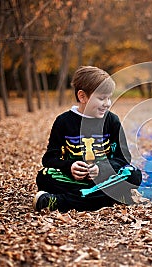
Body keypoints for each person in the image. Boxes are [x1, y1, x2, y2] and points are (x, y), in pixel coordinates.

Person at [33, 66, 142, 212]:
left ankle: (59, 202)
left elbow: (123, 158)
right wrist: (69, 167)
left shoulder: (112, 121)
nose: (107, 103)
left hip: (104, 179)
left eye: (109, 98)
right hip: (74, 180)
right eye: (102, 98)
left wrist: (101, 169)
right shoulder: (63, 122)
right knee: (44, 176)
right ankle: (105, 197)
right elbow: (49, 158)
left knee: (133, 174)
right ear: (82, 96)